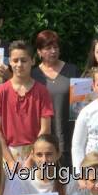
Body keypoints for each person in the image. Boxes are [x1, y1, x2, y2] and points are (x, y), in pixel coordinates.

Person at [0, 40, 53, 169]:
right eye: (15, 60)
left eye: (24, 60)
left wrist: (32, 158)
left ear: (32, 61)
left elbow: (45, 129)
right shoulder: (1, 91)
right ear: (9, 62)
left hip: (37, 154)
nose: (19, 64)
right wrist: (10, 161)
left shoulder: (42, 91)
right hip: (6, 153)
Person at [31, 30, 81, 169]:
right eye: (48, 48)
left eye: (56, 47)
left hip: (69, 136)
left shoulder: (72, 71)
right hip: (41, 141)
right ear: (39, 51)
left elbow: (80, 106)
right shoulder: (33, 75)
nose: (53, 51)